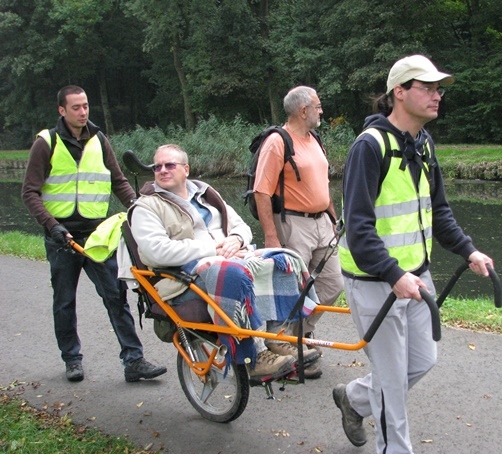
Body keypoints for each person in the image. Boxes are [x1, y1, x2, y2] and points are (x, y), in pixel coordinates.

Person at [334, 55, 495, 454]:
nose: (437, 95)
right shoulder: (370, 146)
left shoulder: (422, 143)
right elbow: (359, 227)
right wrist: (391, 273)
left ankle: (353, 398)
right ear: (399, 92)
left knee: (421, 361)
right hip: (375, 281)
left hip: (415, 277)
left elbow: (437, 210)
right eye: (427, 87)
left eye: (440, 88)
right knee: (391, 380)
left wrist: (468, 250)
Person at [21, 85, 167, 383]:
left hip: (98, 236)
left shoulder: (99, 140)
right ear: (62, 110)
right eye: (76, 107)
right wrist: (52, 226)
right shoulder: (46, 143)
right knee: (64, 301)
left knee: (116, 296)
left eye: (86, 106)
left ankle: (134, 361)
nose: (83, 112)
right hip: (62, 238)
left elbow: (119, 181)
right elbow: (30, 192)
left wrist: (141, 210)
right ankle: (72, 360)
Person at [129, 144, 300, 379]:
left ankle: (275, 336)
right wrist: (214, 250)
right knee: (233, 275)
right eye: (157, 166)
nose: (162, 170)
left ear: (186, 169)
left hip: (227, 258)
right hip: (183, 277)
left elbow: (241, 226)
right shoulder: (146, 206)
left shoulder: (205, 193)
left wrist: (237, 240)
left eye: (170, 165)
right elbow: (158, 252)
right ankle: (255, 355)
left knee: (283, 260)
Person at [253, 85, 343, 378]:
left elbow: (322, 183)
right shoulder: (278, 142)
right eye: (318, 106)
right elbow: (261, 192)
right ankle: (281, 346)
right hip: (293, 223)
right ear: (303, 111)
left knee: (332, 284)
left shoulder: (314, 139)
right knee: (290, 290)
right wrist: (270, 236)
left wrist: (333, 216)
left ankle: (299, 337)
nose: (321, 111)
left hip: (322, 223)